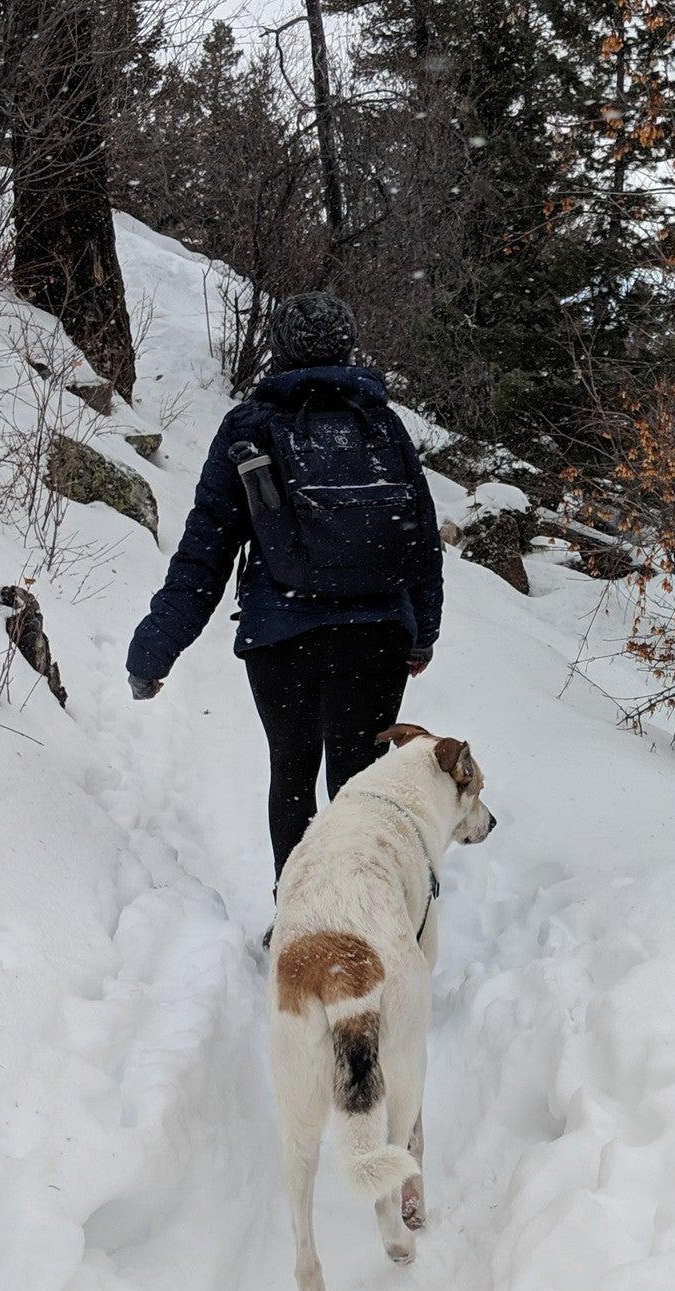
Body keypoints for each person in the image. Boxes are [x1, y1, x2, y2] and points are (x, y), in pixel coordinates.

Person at [126, 292, 445, 883]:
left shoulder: (250, 427)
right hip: (376, 636)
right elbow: (422, 537)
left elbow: (206, 550)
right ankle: (361, 915)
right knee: (360, 784)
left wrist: (155, 649)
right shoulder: (381, 424)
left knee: (292, 774)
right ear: (348, 345)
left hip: (282, 634)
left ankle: (296, 915)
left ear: (279, 347)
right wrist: (422, 632)